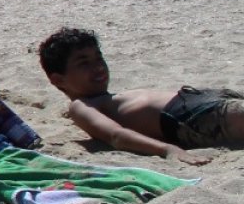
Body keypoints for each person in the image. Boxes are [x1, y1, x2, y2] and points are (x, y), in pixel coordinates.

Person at [39, 27, 235, 165]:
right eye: (84, 63)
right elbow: (116, 135)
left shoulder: (109, 97)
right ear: (58, 80)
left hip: (205, 97)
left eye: (99, 58)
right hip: (193, 117)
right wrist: (166, 149)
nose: (98, 66)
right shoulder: (81, 106)